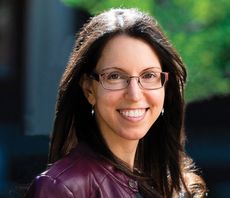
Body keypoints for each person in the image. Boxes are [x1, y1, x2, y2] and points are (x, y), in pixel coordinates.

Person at [24, 8, 207, 198]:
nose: (135, 94)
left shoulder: (171, 184)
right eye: (115, 76)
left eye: (149, 75)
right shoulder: (64, 188)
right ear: (89, 89)